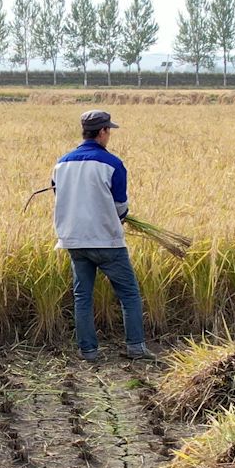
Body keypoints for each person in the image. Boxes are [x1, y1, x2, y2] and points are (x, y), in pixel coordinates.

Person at [53, 110, 156, 363]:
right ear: (102, 132)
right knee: (129, 293)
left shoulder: (61, 163)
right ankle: (135, 347)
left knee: (82, 296)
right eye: (108, 130)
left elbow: (60, 196)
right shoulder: (112, 164)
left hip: (74, 240)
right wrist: (118, 217)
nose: (109, 135)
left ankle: (88, 351)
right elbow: (120, 205)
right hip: (106, 241)